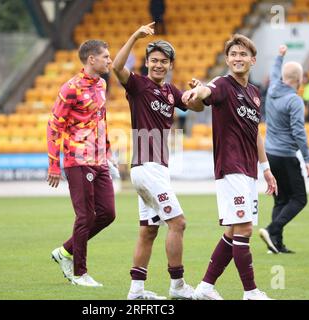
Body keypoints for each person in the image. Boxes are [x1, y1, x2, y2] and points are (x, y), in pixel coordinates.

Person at [112, 22, 204, 300]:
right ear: (147, 62)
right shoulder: (138, 85)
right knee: (178, 224)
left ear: (170, 64)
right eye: (154, 60)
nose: (158, 65)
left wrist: (198, 92)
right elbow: (116, 67)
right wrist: (135, 36)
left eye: (163, 61)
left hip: (154, 169)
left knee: (149, 230)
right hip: (147, 167)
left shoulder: (171, 91)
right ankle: (177, 287)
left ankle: (136, 291)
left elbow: (196, 106)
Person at [182, 34, 277, 300]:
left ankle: (205, 287)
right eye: (233, 54)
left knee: (233, 231)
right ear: (227, 59)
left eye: (243, 54)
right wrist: (197, 91)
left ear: (252, 60)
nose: (238, 58)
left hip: (248, 170)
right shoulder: (222, 84)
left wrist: (266, 168)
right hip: (230, 166)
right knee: (245, 229)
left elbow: (255, 133)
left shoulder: (255, 93)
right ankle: (250, 292)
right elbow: (205, 92)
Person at [47, 40, 116, 287]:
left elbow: (101, 119)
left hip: (99, 160)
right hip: (78, 160)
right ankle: (79, 273)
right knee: (85, 215)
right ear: (91, 59)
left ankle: (65, 251)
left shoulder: (102, 84)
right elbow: (54, 126)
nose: (110, 60)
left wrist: (108, 152)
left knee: (108, 214)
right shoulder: (70, 89)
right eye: (106, 57)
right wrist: (54, 164)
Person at [258, 45, 309, 254]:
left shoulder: (272, 90)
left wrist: (280, 56)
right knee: (299, 198)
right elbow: (299, 132)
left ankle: (276, 244)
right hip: (287, 155)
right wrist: (307, 159)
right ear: (299, 80)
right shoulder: (294, 100)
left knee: (281, 199)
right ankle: (272, 229)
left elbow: (274, 72)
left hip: (270, 155)